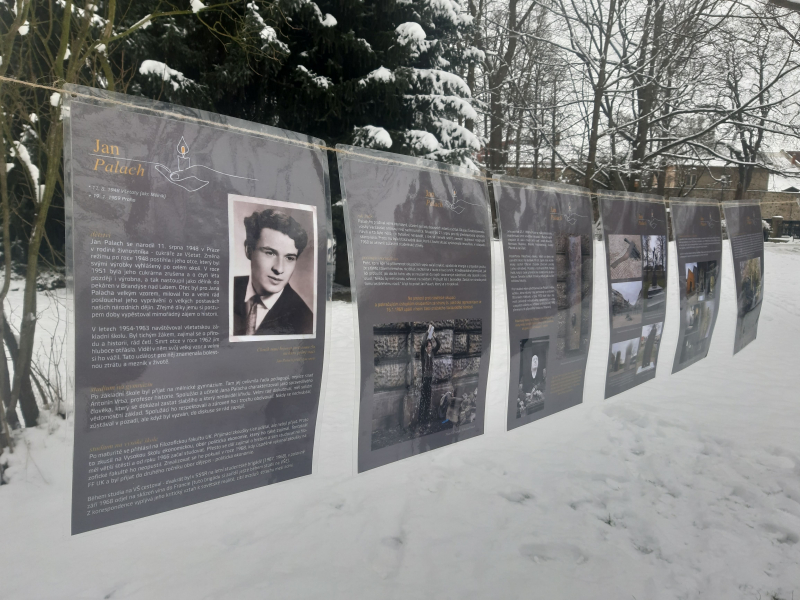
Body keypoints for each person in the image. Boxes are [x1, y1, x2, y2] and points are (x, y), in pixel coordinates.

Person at [233, 208, 313, 336]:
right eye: (270, 253)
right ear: (249, 250)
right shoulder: (228, 287)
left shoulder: (305, 322)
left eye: (289, 258)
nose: (279, 269)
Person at [417, 324, 440, 430]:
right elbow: (422, 344)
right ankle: (420, 420)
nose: (430, 348)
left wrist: (434, 336)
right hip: (424, 380)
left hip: (430, 380)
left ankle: (426, 419)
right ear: (426, 348)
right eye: (428, 346)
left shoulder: (433, 353)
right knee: (423, 400)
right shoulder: (424, 354)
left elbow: (439, 345)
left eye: (430, 346)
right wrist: (427, 332)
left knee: (428, 400)